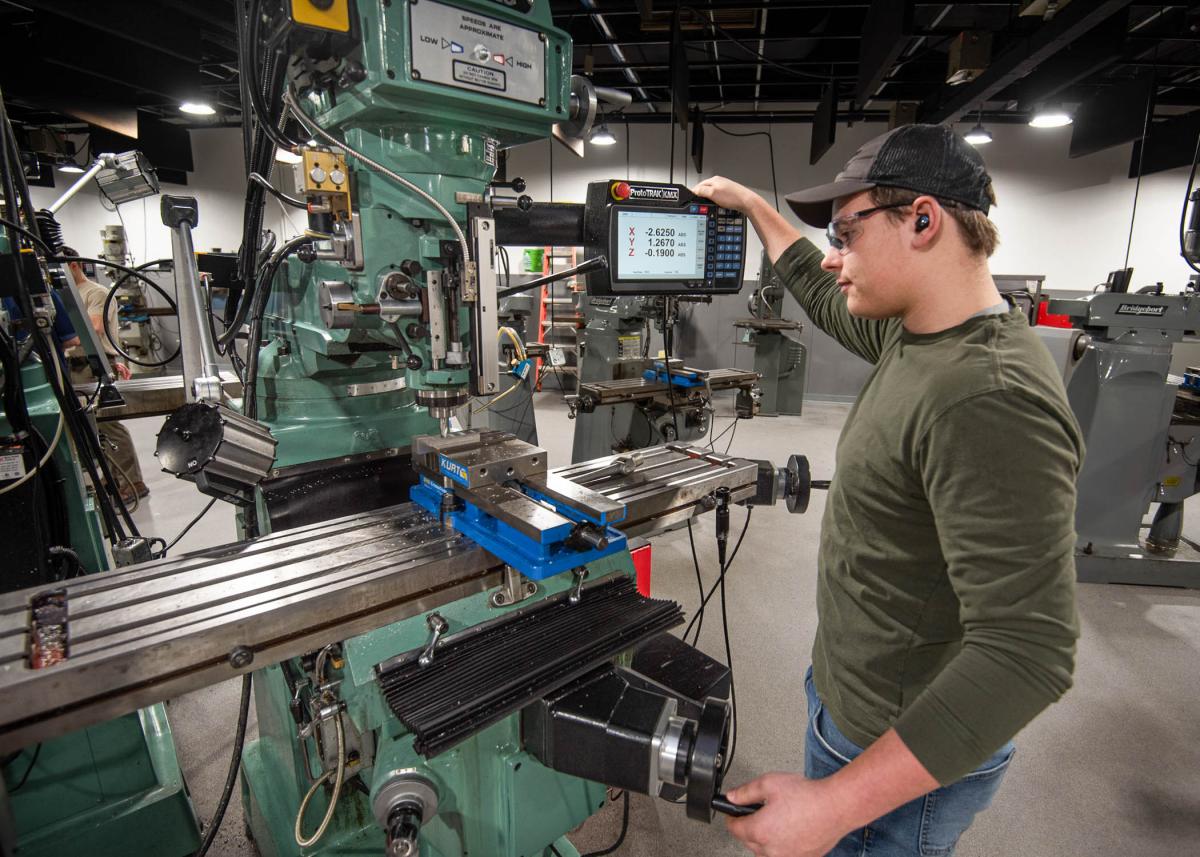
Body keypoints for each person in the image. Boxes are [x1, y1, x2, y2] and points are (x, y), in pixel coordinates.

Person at [693, 124, 1081, 857]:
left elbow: (1030, 651)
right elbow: (816, 282)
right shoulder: (922, 333)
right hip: (858, 698)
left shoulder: (986, 396)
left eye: (847, 230)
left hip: (894, 754)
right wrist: (751, 204)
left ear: (924, 221)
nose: (836, 255)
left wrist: (835, 804)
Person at [59, 247, 148, 503]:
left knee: (109, 424)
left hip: (94, 364)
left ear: (74, 265)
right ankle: (112, 478)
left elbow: (94, 327)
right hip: (74, 366)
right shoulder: (67, 295)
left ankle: (133, 481)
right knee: (93, 426)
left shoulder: (94, 292)